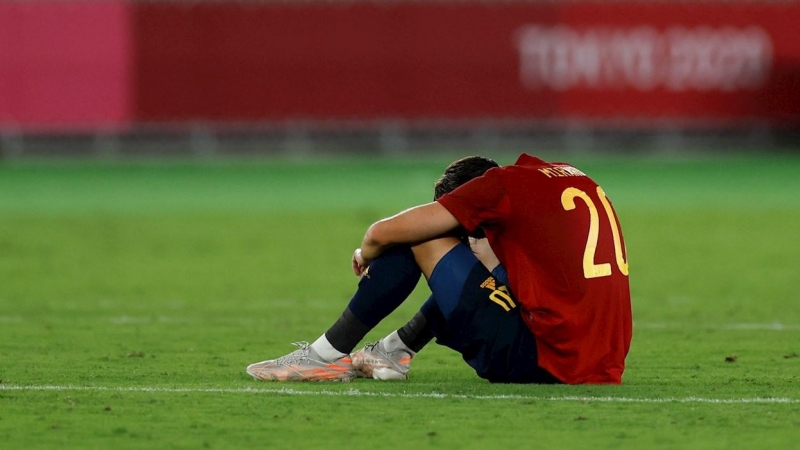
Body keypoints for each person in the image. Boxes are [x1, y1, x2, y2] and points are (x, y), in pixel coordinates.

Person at [246, 154, 632, 384]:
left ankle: (323, 356)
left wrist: (365, 252)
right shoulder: (565, 177)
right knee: (479, 271)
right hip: (601, 364)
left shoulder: (497, 187)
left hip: (544, 360)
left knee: (418, 239)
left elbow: (381, 231)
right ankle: (392, 351)